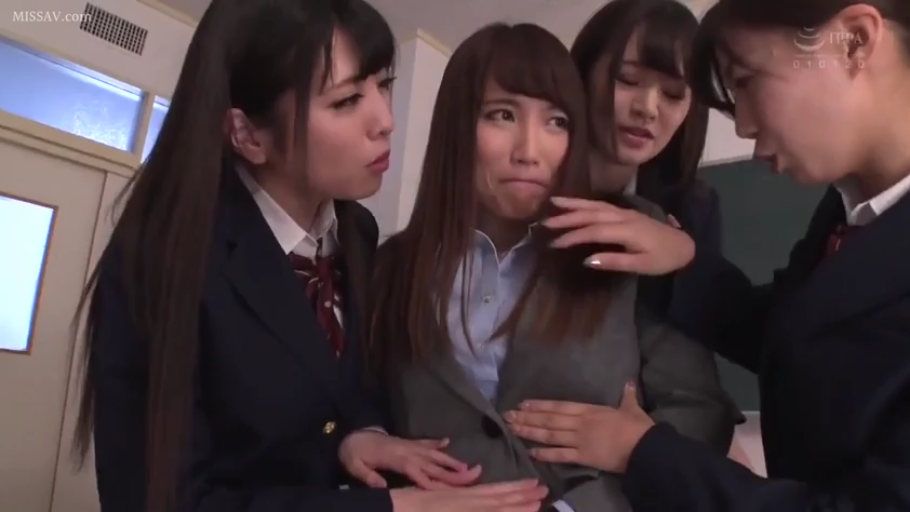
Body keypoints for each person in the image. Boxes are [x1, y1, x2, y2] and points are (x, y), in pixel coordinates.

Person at [70, 0, 550, 511]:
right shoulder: (163, 261)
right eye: (347, 101)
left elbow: (332, 387)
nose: (385, 121)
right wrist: (395, 508)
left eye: (383, 85)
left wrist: (358, 434)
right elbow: (161, 500)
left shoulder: (356, 230)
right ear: (248, 135)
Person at [504, 0, 910, 510]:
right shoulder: (843, 211)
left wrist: (643, 452)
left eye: (746, 81)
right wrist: (686, 265)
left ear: (853, 41)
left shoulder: (691, 205)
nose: (742, 126)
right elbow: (793, 337)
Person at [368, 22, 735, 512]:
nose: (529, 151)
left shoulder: (628, 237)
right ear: (457, 125)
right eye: (502, 115)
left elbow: (700, 410)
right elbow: (367, 409)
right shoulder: (391, 266)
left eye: (556, 122)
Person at [569, 0, 749, 462]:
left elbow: (695, 376)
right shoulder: (529, 183)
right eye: (627, 80)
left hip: (643, 439)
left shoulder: (691, 208)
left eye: (673, 94)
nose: (647, 108)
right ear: (584, 73)